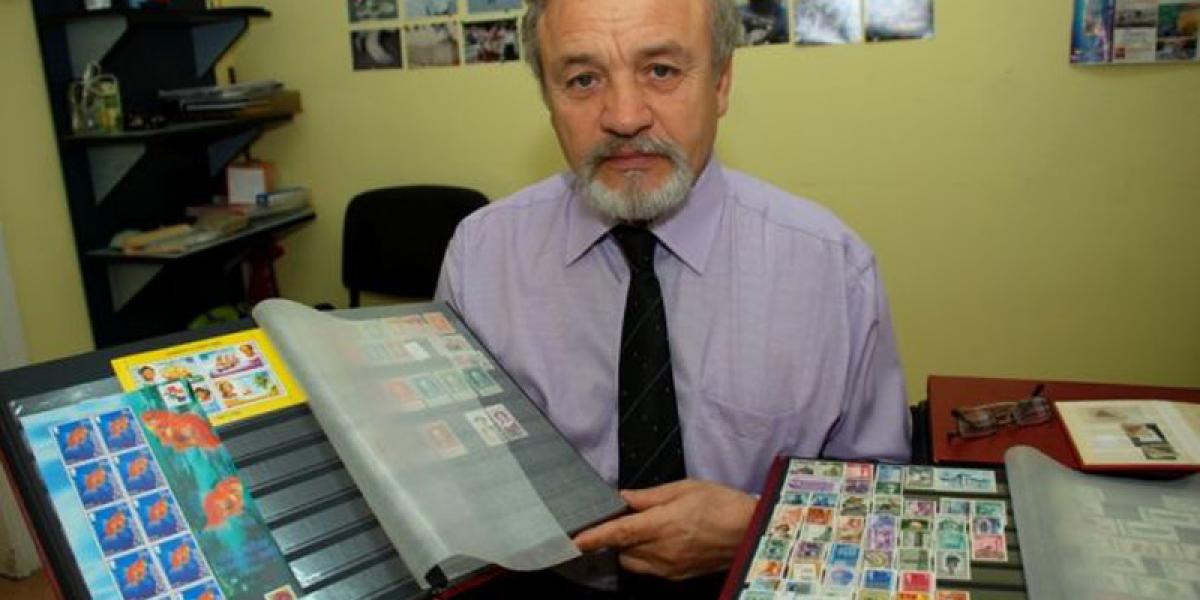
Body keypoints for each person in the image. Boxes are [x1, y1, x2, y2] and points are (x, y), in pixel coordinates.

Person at [434, 0, 909, 595]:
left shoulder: (832, 269)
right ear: (548, 100)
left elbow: (883, 503)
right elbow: (451, 478)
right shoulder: (480, 256)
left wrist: (762, 525)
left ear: (721, 83)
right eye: (582, 80)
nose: (624, 117)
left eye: (661, 70)